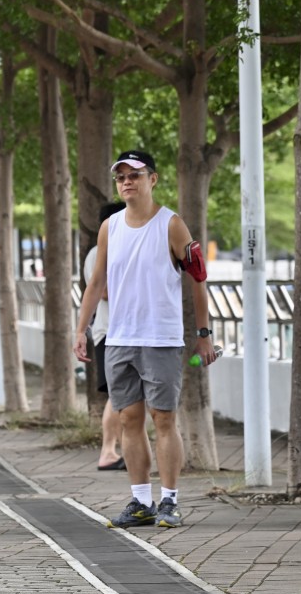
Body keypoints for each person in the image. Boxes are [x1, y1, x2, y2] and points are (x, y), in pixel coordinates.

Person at [74, 150, 217, 529]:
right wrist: (80, 330)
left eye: (135, 175)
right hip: (120, 339)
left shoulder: (171, 225)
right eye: (121, 177)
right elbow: (96, 282)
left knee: (164, 419)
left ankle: (169, 500)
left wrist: (203, 335)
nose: (127, 182)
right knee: (128, 420)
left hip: (161, 339)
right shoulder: (110, 228)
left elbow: (198, 279)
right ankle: (140, 501)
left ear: (152, 179)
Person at [84, 201, 126, 471]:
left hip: (124, 333)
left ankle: (120, 449)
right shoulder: (98, 253)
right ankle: (108, 451)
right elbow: (104, 292)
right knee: (118, 395)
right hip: (109, 332)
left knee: (123, 396)